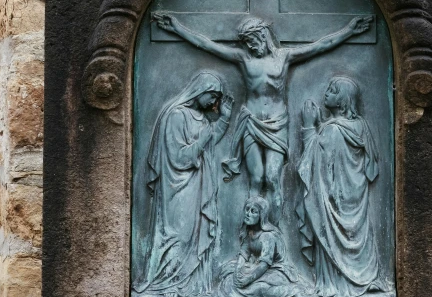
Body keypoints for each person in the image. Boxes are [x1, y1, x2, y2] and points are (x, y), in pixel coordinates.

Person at [152, 13, 372, 221]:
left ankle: (273, 237)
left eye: (252, 41)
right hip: (251, 122)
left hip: (277, 123)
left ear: (263, 36)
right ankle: (250, 240)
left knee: (274, 178)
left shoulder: (284, 57)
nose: (250, 46)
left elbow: (320, 45)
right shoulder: (243, 58)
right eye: (246, 42)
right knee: (256, 179)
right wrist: (177, 28)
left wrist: (349, 31)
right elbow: (207, 45)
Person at [133, 72, 233, 297]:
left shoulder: (203, 118)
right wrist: (203, 139)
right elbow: (179, 157)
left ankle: (188, 284)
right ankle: (166, 280)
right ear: (200, 90)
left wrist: (224, 119)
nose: (214, 102)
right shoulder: (176, 115)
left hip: (197, 185)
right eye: (212, 96)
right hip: (176, 187)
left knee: (194, 233)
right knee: (179, 234)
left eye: (217, 98)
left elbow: (209, 141)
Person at [296, 76, 383, 297]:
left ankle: (336, 284)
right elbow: (371, 169)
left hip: (334, 202)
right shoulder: (361, 127)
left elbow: (315, 166)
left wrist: (308, 127)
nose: (326, 93)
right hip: (356, 198)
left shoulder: (332, 130)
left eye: (333, 91)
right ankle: (362, 276)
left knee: (330, 235)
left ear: (343, 101)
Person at [216, 196, 305, 297]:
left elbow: (264, 264)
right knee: (228, 277)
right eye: (247, 209)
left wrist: (247, 280)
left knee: (260, 289)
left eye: (254, 211)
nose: (248, 214)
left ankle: (290, 290)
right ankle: (243, 289)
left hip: (276, 271)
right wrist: (237, 273)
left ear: (261, 216)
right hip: (256, 267)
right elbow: (244, 254)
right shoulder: (249, 231)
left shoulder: (268, 236)